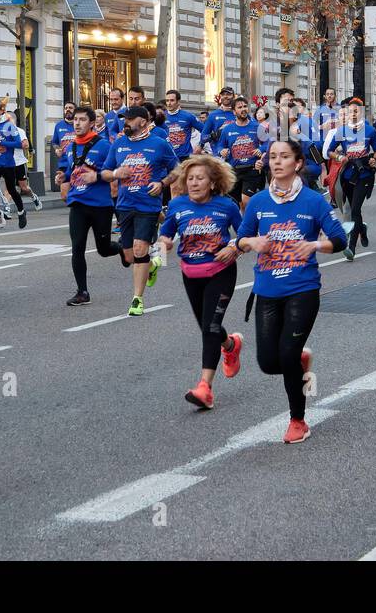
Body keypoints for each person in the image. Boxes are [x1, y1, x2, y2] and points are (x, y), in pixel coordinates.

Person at [236, 139, 347, 444]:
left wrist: (314, 244)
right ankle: (299, 361)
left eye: (284, 156)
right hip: (267, 289)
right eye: (273, 156)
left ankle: (298, 420)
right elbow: (240, 239)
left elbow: (340, 239)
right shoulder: (258, 202)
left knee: (286, 354)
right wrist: (250, 243)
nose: (277, 161)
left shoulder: (313, 201)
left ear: (297, 163)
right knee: (268, 362)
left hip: (302, 288)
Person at [159, 155, 245, 410]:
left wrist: (233, 248)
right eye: (190, 179)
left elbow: (244, 234)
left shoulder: (226, 206)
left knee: (209, 327)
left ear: (212, 182)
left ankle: (205, 388)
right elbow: (165, 234)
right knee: (207, 326)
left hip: (221, 271)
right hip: (191, 273)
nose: (194, 183)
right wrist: (163, 247)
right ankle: (230, 345)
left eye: (200, 179)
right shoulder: (177, 206)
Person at [101, 105, 178, 317]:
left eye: (130, 119)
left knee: (138, 249)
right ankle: (154, 261)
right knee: (128, 256)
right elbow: (105, 172)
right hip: (125, 205)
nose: (125, 122)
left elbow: (177, 169)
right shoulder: (119, 144)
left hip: (148, 204)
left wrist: (162, 183)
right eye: (124, 119)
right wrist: (116, 172)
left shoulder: (159, 144)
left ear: (143, 121)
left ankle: (137, 299)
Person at [56, 106, 120, 306]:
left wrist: (97, 175)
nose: (77, 123)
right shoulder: (70, 147)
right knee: (77, 248)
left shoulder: (104, 146)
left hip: (100, 205)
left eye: (82, 119)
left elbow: (114, 171)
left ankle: (123, 249)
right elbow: (71, 171)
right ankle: (82, 292)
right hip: (78, 203)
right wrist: (63, 177)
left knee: (104, 249)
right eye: (75, 119)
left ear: (92, 123)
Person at [326, 99, 376, 260]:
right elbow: (329, 151)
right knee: (354, 210)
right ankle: (362, 229)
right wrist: (340, 156)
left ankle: (351, 247)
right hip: (348, 175)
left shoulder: (370, 131)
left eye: (356, 111)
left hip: (364, 174)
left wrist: (374, 159)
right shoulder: (341, 131)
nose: (353, 114)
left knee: (355, 209)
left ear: (361, 112)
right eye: (351, 111)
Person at [0, 100, 27, 230]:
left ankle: (21, 211)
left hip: (8, 164)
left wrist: (3, 143)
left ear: (2, 111)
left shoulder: (8, 126)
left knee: (12, 190)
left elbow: (19, 144)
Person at [216, 96, 264, 210]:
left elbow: (268, 143)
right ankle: (242, 226)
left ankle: (248, 226)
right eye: (240, 107)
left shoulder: (257, 126)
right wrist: (221, 151)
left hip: (252, 169)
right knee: (236, 204)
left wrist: (261, 150)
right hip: (234, 170)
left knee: (246, 201)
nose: (243, 109)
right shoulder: (227, 129)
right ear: (234, 111)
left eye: (245, 106)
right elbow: (220, 145)